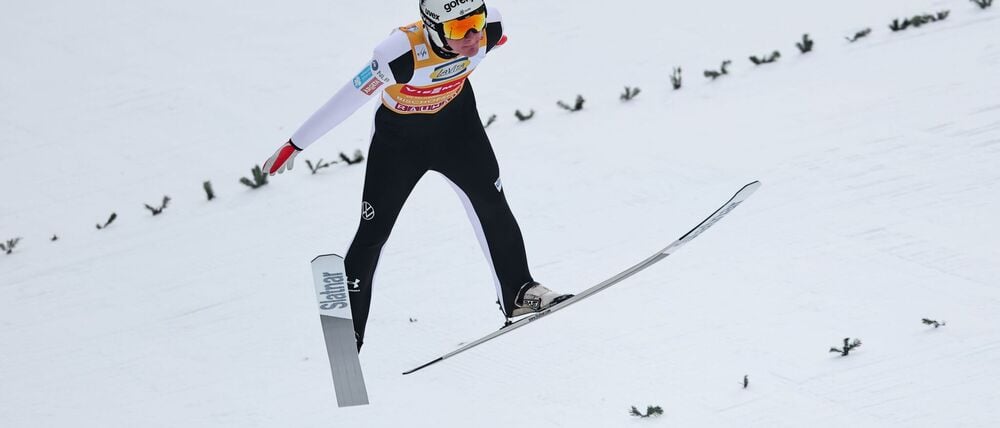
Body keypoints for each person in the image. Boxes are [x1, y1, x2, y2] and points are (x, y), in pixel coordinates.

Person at [263, 0, 570, 351]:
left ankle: (519, 290)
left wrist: (484, 34)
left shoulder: (490, 30)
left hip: (457, 130)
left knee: (493, 204)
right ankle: (345, 328)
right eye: (458, 29)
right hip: (400, 144)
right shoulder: (398, 54)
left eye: (477, 22)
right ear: (433, 28)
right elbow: (348, 98)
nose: (473, 36)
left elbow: (486, 36)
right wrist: (296, 143)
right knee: (373, 233)